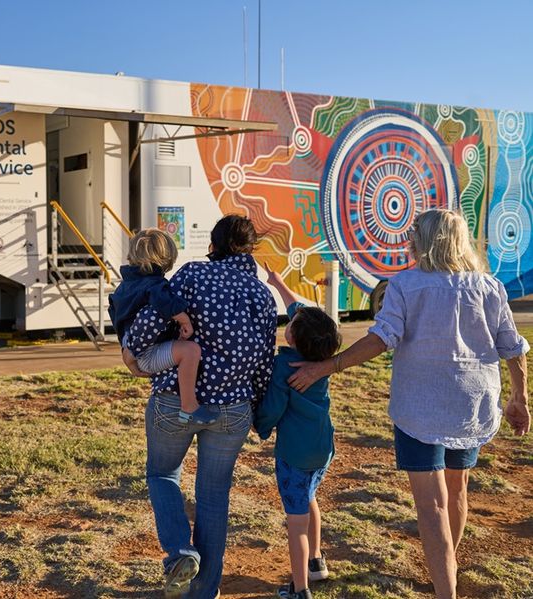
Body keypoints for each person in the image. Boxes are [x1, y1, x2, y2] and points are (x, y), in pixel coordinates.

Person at [287, 209, 531, 599]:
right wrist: (520, 397)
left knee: (432, 503)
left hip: (420, 405)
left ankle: (445, 588)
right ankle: (445, 568)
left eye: (413, 234)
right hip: (472, 403)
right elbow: (513, 348)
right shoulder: (489, 286)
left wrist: (328, 367)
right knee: (457, 490)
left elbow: (382, 338)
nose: (408, 241)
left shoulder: (405, 285)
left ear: (427, 240)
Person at [123, 215, 277, 599]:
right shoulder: (261, 294)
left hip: (175, 399)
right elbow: (264, 361)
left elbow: (154, 316)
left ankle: (179, 551)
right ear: (251, 249)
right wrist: (256, 412)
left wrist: (132, 352)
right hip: (233, 409)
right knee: (214, 495)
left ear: (213, 245)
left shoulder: (193, 274)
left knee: (162, 475)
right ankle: (203, 590)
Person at [256, 266, 341, 599]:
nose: (290, 319)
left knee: (296, 523)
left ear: (291, 336)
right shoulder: (320, 355)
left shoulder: (285, 366)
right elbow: (299, 312)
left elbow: (274, 408)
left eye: (291, 323)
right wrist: (279, 283)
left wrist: (260, 426)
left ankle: (300, 588)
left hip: (294, 454)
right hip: (323, 447)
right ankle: (316, 562)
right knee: (309, 499)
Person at [109, 228, 215, 425]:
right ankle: (189, 406)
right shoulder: (155, 285)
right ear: (166, 259)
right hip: (147, 354)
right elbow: (164, 303)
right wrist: (184, 320)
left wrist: (126, 348)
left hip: (133, 349)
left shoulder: (124, 287)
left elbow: (116, 317)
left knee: (186, 351)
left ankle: (186, 410)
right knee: (191, 351)